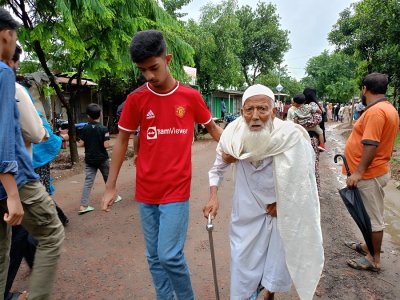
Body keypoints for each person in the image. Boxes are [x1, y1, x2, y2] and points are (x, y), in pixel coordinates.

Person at [101, 30, 222, 299]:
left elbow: (213, 129)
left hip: (176, 191)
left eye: (154, 68)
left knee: (169, 256)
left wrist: (240, 152)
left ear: (167, 59)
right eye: (142, 71)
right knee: (154, 257)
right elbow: (121, 141)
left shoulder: (190, 97)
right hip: (145, 191)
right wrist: (110, 187)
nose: (149, 76)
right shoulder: (137, 99)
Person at [203, 84, 324, 300]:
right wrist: (213, 196)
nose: (255, 116)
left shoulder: (291, 137)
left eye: (262, 109)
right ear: (242, 112)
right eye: (249, 110)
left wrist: (285, 203)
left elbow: (304, 180)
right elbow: (217, 169)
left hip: (279, 215)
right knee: (242, 266)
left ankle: (269, 294)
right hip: (246, 215)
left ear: (274, 111)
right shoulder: (232, 137)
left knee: (274, 268)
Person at [0, 9, 64, 300]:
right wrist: (12, 192)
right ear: (7, 36)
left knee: (4, 255)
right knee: (51, 233)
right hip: (16, 177)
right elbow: (14, 135)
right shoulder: (5, 77)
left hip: (15, 178)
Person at [344, 73, 399, 272]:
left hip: (370, 174)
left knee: (373, 218)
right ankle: (368, 247)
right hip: (375, 171)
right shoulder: (387, 108)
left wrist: (358, 172)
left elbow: (371, 143)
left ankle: (373, 259)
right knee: (369, 214)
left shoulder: (376, 112)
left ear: (365, 89)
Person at [78, 103, 120, 214]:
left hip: (89, 159)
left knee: (88, 182)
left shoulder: (85, 128)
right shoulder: (103, 129)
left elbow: (81, 144)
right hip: (102, 158)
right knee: (108, 178)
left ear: (88, 116)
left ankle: (83, 206)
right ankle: (113, 197)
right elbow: (106, 145)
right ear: (100, 115)